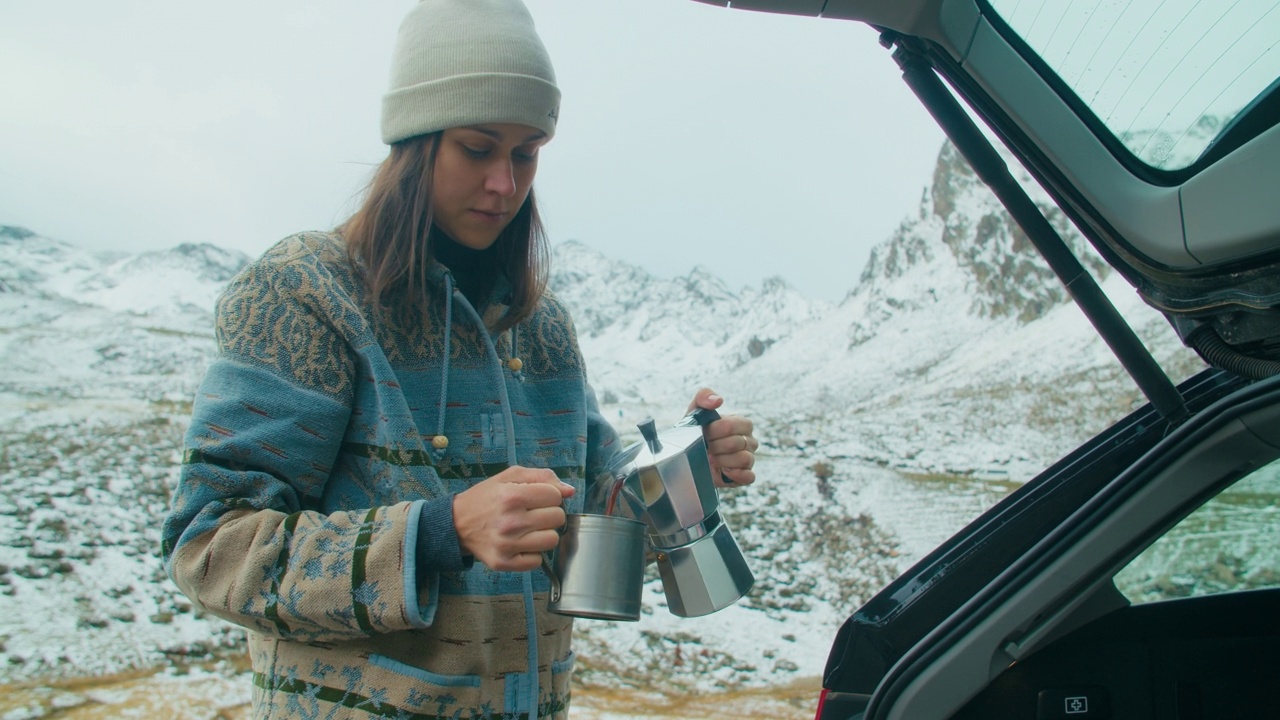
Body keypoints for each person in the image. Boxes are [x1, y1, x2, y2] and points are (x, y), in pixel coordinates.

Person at [160, 1, 758, 718]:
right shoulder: (306, 295)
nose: (505, 184)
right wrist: (442, 531)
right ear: (416, 142)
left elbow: (593, 512)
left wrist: (688, 474)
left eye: (526, 152)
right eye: (478, 148)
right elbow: (211, 547)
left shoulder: (542, 330)